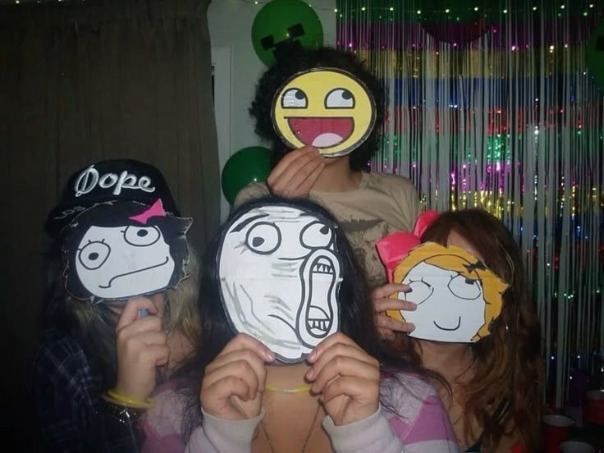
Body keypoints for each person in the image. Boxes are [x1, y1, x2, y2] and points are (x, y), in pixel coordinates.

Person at [140, 196, 459, 452]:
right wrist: (220, 437)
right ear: (221, 288)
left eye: (313, 252)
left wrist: (366, 433)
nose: (292, 274)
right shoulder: (169, 411)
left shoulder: (412, 401)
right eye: (262, 250)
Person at [29, 159, 200, 452]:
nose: (124, 263)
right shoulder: (64, 361)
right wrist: (124, 404)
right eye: (96, 252)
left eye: (140, 233)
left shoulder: (214, 315)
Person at [234, 46, 420, 304]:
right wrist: (283, 210)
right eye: (300, 101)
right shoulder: (256, 200)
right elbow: (251, 298)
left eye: (340, 100)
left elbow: (420, 288)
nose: (321, 119)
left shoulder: (399, 192)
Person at [373, 209, 543, 452]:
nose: (446, 295)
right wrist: (362, 332)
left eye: (468, 281)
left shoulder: (506, 385)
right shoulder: (377, 374)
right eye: (436, 269)